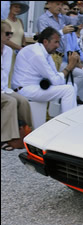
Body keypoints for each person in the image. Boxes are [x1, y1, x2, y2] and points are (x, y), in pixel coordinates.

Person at [12, 27, 80, 113]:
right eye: (56, 42)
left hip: (35, 87)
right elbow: (55, 81)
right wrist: (69, 67)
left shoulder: (45, 53)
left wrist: (71, 66)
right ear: (45, 41)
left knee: (73, 86)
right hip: (25, 89)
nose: (58, 46)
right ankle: (68, 122)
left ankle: (65, 118)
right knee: (69, 90)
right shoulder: (37, 54)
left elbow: (55, 76)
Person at [1, 20, 32, 151]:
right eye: (7, 33)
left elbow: (5, 72)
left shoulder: (8, 51)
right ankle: (5, 138)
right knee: (11, 102)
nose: (10, 36)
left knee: (23, 101)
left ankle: (28, 133)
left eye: (11, 34)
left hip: (3, 88)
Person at [37, 0, 83, 71]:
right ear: (49, 4)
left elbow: (77, 22)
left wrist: (81, 12)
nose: (60, 7)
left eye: (61, 4)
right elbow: (44, 38)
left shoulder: (62, 18)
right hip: (49, 56)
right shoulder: (43, 19)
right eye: (57, 4)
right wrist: (61, 32)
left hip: (60, 57)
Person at [5, 1, 29, 86]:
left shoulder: (20, 21)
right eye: (15, 7)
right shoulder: (5, 21)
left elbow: (23, 37)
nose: (18, 9)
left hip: (18, 54)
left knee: (17, 75)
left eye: (19, 7)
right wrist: (18, 48)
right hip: (7, 52)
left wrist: (23, 47)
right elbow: (5, 39)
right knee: (7, 73)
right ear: (10, 7)